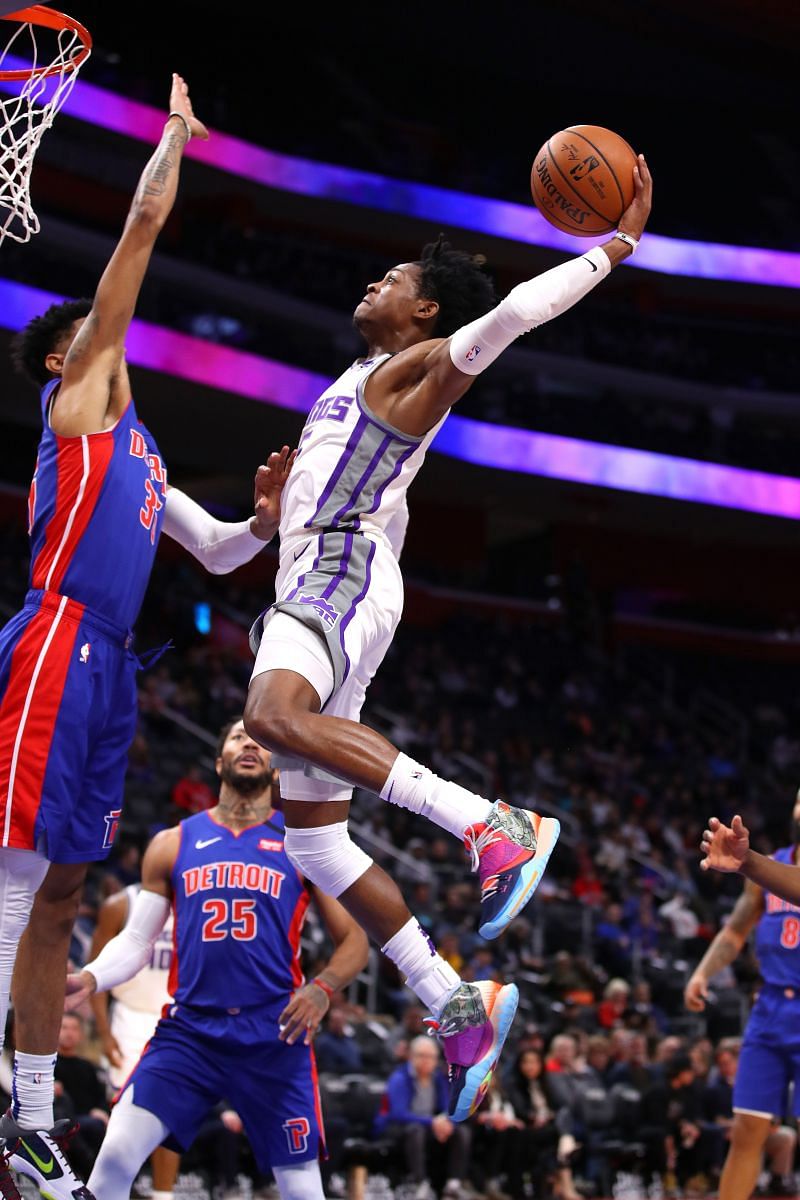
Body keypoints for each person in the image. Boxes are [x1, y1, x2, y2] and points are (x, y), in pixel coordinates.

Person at [242, 144, 653, 1120]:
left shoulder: (416, 368)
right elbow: (391, 506)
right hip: (332, 565)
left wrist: (615, 244)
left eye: (391, 278)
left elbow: (506, 318)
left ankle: (491, 824)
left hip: (333, 574)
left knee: (268, 715)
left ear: (426, 311)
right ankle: (456, 1005)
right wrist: (274, 516)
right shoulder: (361, 378)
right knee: (313, 842)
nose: (370, 282)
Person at [0, 73, 296, 1200]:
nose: (111, 340)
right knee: (20, 879)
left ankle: (30, 1122)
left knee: (67, 890)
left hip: (112, 669)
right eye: (92, 335)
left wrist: (262, 522)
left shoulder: (146, 452)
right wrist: (172, 139)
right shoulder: (74, 410)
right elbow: (136, 230)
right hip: (56, 642)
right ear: (61, 362)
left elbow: (219, 554)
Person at [64, 718, 369, 1200]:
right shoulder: (171, 842)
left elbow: (355, 940)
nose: (249, 742)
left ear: (275, 767)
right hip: (191, 1034)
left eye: (260, 740)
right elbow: (137, 941)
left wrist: (322, 986)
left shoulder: (302, 843)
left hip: (274, 1033)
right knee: (117, 1155)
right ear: (219, 759)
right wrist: (92, 976)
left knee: (303, 1189)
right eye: (236, 736)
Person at [695, 794, 800, 1200]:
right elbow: (735, 931)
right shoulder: (772, 865)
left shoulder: (762, 866)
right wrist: (702, 973)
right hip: (771, 1007)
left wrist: (747, 861)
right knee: (747, 1128)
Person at [88, 881, 179, 1200]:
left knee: (170, 1111)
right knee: (125, 1113)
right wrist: (104, 1032)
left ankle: (162, 1193)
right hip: (129, 1017)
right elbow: (96, 970)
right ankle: (111, 1190)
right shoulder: (120, 904)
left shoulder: (194, 898)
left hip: (175, 1016)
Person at [374, 1035, 478, 1200]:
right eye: (421, 1055)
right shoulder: (400, 1078)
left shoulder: (437, 1078)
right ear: (411, 1056)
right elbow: (398, 1114)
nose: (426, 1061)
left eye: (431, 1057)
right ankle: (420, 1184)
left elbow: (447, 1106)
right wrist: (433, 1122)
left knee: (461, 1131)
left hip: (427, 1126)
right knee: (416, 1131)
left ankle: (453, 1186)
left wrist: (446, 1123)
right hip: (396, 1128)